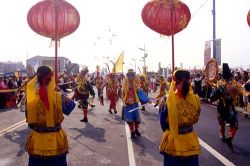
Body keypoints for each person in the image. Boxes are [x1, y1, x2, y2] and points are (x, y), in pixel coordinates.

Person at [25, 65, 71, 166]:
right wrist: (60, 91)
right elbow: (70, 107)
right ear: (51, 78)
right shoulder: (59, 96)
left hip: (37, 142)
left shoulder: (30, 97)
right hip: (55, 142)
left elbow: (29, 122)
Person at [159, 69, 201, 166]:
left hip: (173, 143)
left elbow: (163, 123)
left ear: (174, 82)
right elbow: (196, 118)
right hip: (191, 142)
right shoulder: (196, 98)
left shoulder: (166, 100)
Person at [210, 63, 243, 150]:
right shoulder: (235, 85)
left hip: (220, 107)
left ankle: (223, 136)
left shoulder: (220, 86)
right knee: (234, 124)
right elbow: (242, 92)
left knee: (221, 122)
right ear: (231, 77)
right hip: (230, 108)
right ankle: (230, 137)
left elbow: (212, 98)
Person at [122, 69, 141, 138]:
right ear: (127, 76)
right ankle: (132, 131)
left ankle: (136, 130)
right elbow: (123, 95)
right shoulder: (124, 85)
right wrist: (124, 102)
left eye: (132, 75)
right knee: (130, 120)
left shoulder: (136, 84)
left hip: (135, 104)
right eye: (129, 75)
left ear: (134, 76)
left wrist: (146, 100)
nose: (130, 76)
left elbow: (140, 93)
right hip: (128, 105)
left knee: (136, 119)